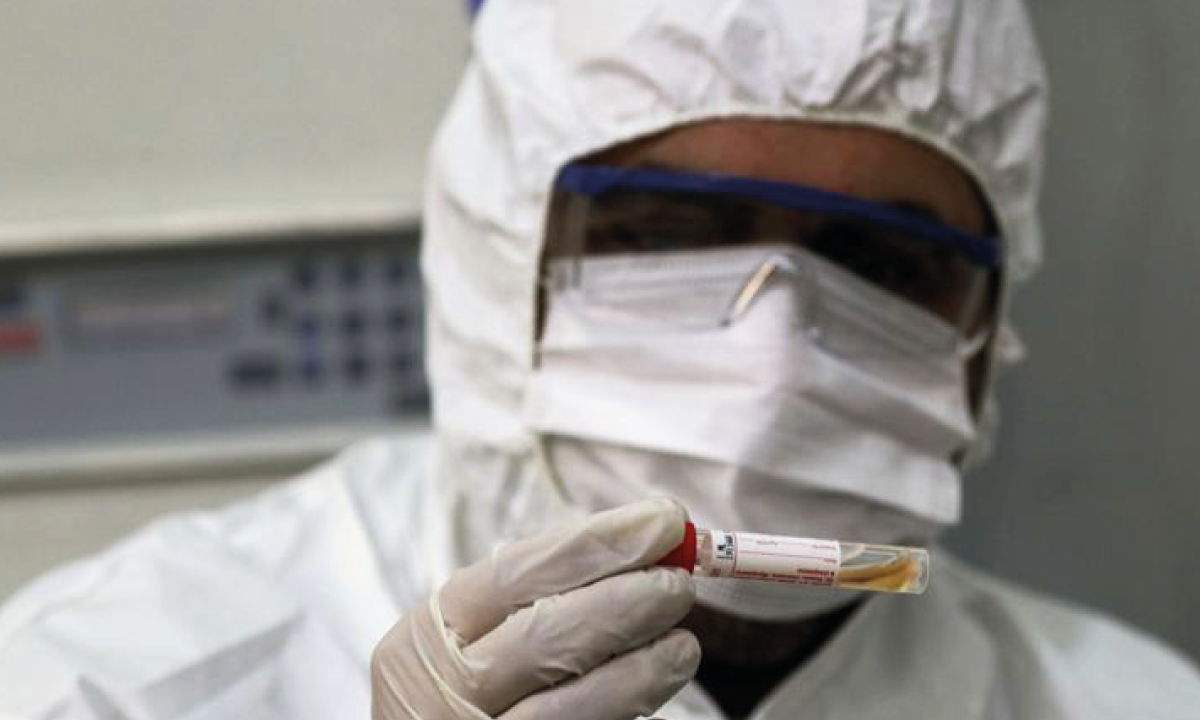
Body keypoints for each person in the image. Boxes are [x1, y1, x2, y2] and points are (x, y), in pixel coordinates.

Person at [2, 1, 1199, 718]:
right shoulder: (111, 683)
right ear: (496, 254)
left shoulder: (1131, 703)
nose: (772, 369)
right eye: (665, 235)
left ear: (987, 330)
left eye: (883, 262)